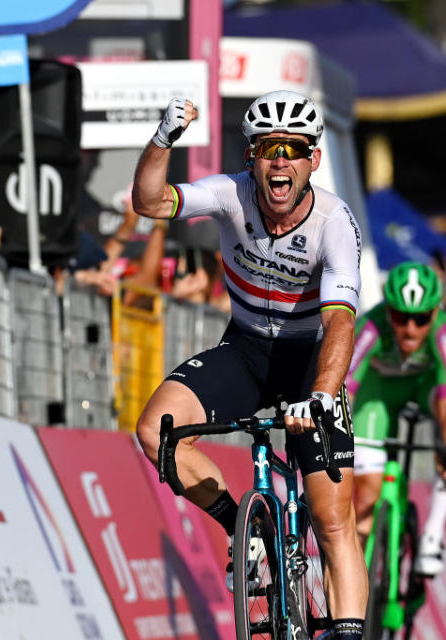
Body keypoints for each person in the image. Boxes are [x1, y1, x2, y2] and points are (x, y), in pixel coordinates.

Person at [132, 92, 367, 639]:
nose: (279, 160)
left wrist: (325, 394)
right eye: (268, 148)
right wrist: (163, 137)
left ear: (313, 159)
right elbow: (149, 204)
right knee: (156, 432)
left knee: (333, 520)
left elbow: (339, 324)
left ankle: (348, 631)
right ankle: (245, 527)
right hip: (245, 349)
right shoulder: (229, 194)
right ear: (251, 157)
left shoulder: (334, 221)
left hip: (311, 360)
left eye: (293, 149)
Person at [347, 261, 446, 576]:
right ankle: (361, 586)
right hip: (378, 397)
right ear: (388, 312)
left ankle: (432, 533)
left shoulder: (443, 333)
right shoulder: (370, 327)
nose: (410, 328)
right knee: (368, 498)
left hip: (423, 389)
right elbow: (346, 390)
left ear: (435, 313)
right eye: (400, 317)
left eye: (421, 318)